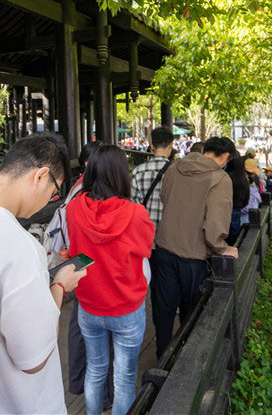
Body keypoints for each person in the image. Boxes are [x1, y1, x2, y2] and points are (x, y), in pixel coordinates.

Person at [0, 132, 87, 414]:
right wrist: (59, 286)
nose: (49, 201)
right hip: (24, 404)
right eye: (53, 193)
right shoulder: (20, 246)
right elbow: (32, 358)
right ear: (40, 176)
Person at [67, 145, 155, 415]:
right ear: (121, 174)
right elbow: (145, 250)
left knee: (95, 369)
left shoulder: (73, 209)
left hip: (89, 306)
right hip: (126, 307)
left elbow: (75, 254)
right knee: (125, 376)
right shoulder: (136, 213)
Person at [151, 136, 239, 358]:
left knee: (163, 312)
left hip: (163, 248)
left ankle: (162, 358)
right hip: (194, 257)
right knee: (191, 315)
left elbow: (164, 196)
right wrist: (221, 247)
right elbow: (215, 223)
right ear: (226, 157)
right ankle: (184, 363)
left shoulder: (175, 167)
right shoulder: (220, 179)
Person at [50, 141, 113, 406]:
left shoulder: (78, 189)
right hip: (88, 269)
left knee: (81, 325)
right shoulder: (83, 193)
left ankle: (80, 383)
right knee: (90, 330)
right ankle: (96, 392)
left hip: (83, 267)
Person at [130, 127, 175, 228]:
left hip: (144, 230)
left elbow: (133, 205)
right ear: (171, 145)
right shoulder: (175, 171)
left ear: (152, 146)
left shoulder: (138, 171)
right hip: (168, 232)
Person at [225, 154, 251, 246]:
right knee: (233, 237)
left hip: (223, 210)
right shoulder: (243, 179)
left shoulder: (225, 177)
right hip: (236, 210)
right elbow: (246, 199)